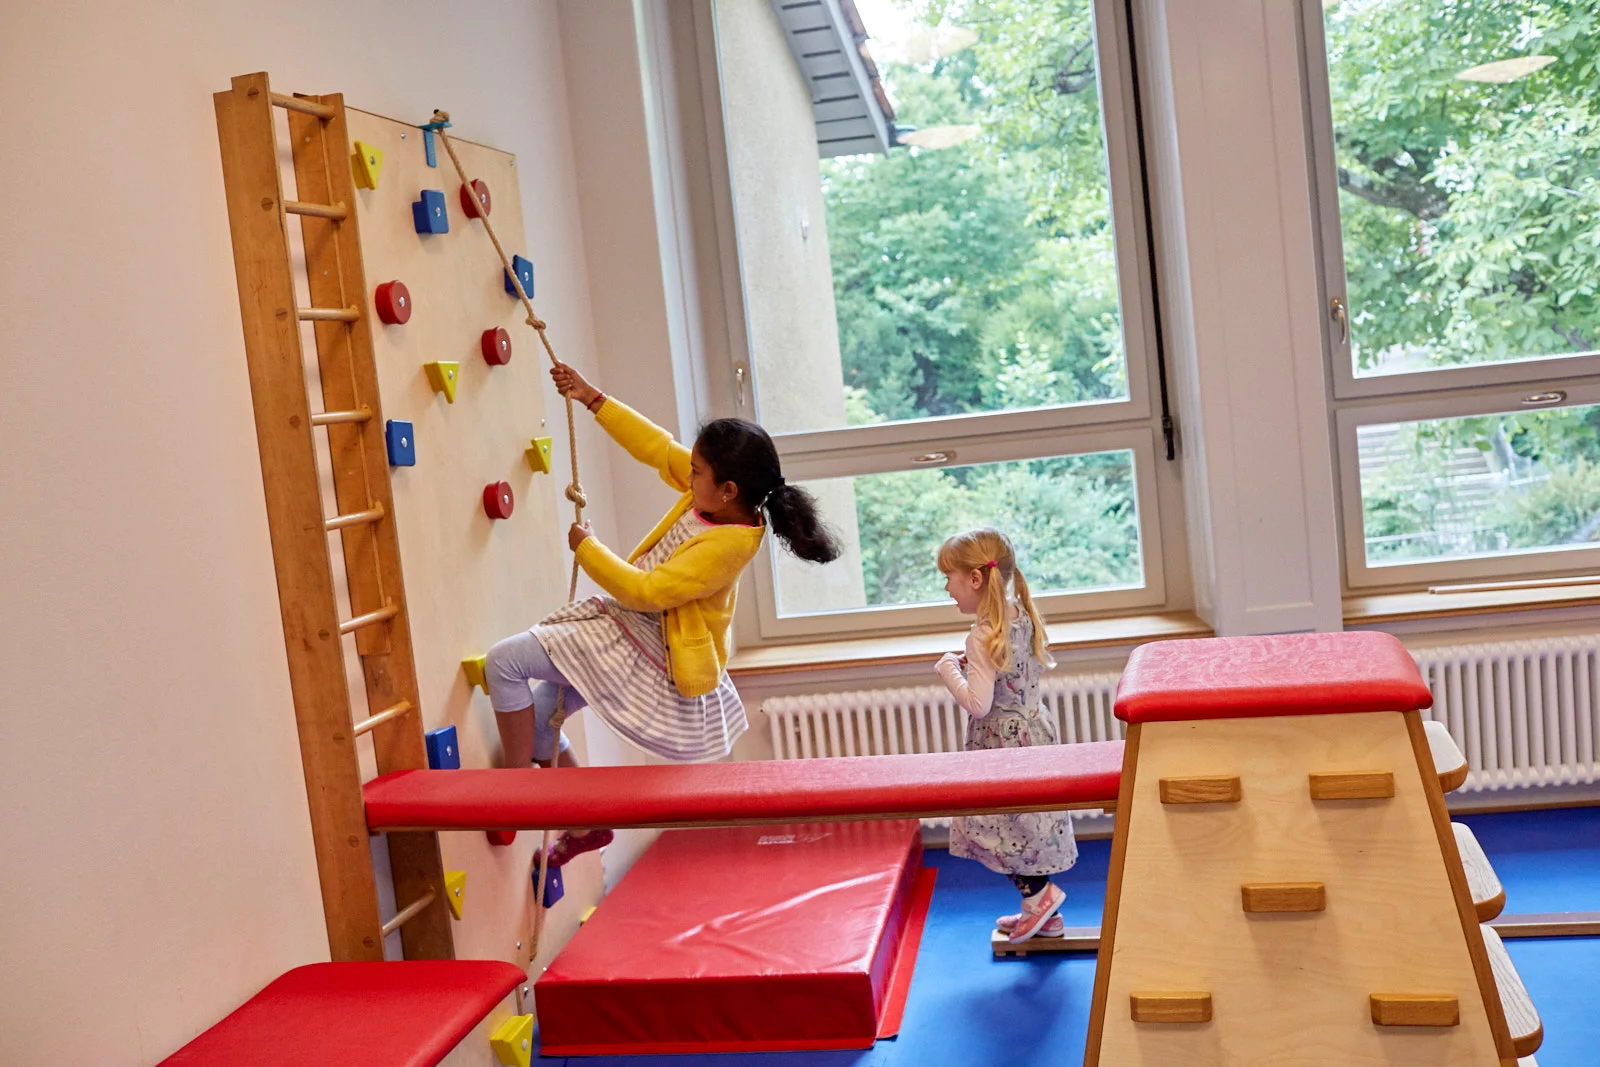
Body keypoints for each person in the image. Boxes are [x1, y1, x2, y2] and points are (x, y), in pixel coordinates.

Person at [485, 360, 841, 866]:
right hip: (625, 624)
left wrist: (588, 549)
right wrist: (593, 398)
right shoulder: (713, 497)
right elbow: (655, 446)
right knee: (541, 722)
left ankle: (513, 797)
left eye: (696, 472)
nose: (686, 475)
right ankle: (585, 824)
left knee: (505, 662)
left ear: (729, 490)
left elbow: (648, 592)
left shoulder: (729, 544)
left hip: (650, 645)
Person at [933, 528, 1078, 943]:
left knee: (1000, 826)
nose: (947, 588)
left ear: (975, 579)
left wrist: (948, 669)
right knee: (1027, 825)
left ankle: (1041, 898)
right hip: (1034, 732)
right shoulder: (1020, 615)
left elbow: (978, 704)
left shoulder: (981, 636)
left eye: (949, 577)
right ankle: (1044, 916)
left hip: (1001, 746)